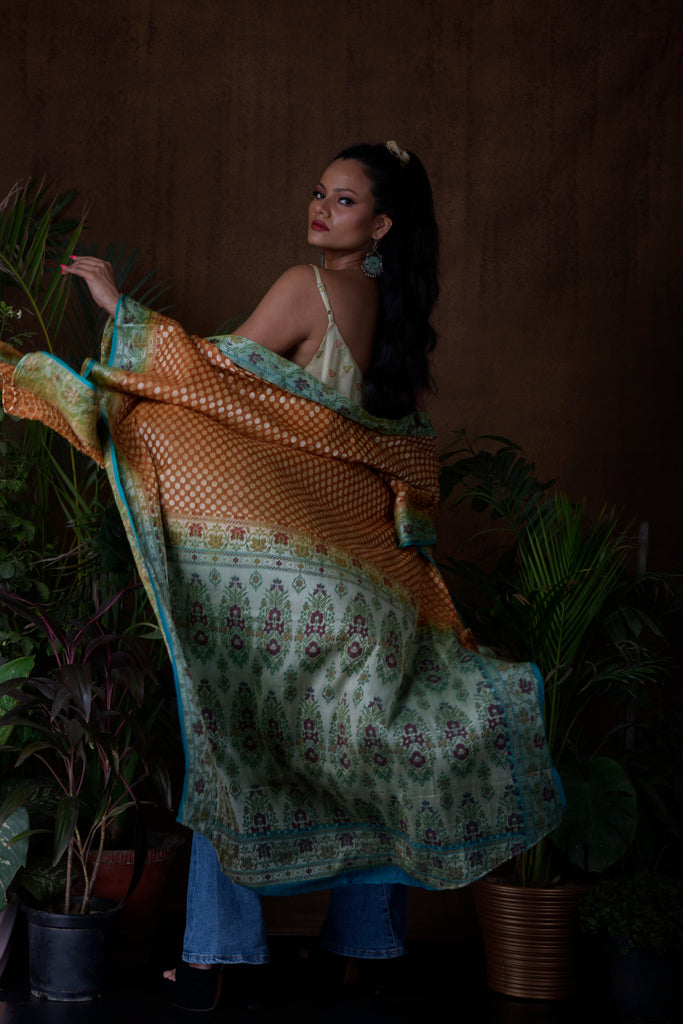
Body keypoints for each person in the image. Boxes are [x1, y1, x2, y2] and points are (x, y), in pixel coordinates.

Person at [5, 142, 564, 1012]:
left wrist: (119, 309)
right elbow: (369, 457)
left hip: (293, 590)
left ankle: (213, 959)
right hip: (370, 587)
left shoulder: (307, 287)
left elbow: (206, 381)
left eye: (343, 201)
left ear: (380, 225)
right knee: (367, 761)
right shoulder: (396, 319)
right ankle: (363, 955)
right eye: (318, 192)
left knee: (232, 742)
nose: (320, 209)